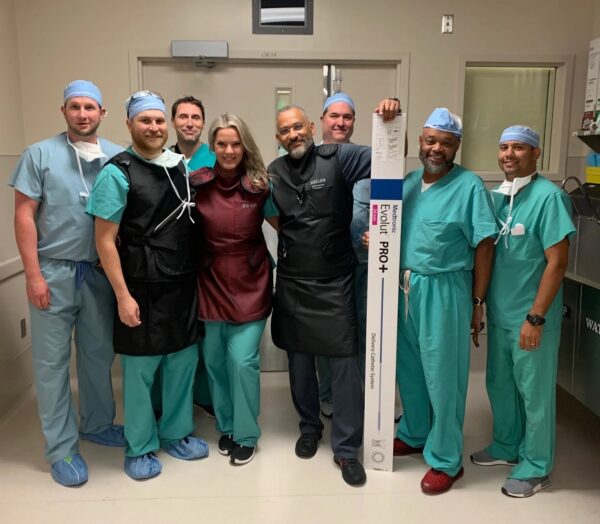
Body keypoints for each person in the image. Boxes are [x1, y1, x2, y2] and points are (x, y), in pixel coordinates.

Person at [269, 99, 399, 487]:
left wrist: (390, 121)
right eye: (285, 130)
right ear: (278, 137)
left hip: (334, 281)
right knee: (299, 365)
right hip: (293, 281)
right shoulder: (275, 171)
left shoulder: (340, 157)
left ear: (311, 126)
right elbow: (273, 214)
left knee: (344, 366)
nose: (293, 134)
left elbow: (389, 158)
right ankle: (309, 428)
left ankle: (346, 450)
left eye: (298, 126)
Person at [10, 80, 125, 487]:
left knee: (97, 356)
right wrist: (33, 275)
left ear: (102, 113)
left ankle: (96, 423)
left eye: (90, 107)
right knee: (52, 363)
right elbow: (24, 216)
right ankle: (60, 447)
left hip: (97, 274)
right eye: (74, 107)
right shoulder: (39, 155)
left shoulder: (118, 156)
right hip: (53, 273)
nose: (82, 114)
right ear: (64, 112)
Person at [88, 91, 208, 481]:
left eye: (159, 121)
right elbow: (105, 240)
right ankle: (139, 447)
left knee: (181, 364)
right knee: (140, 374)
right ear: (128, 125)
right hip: (140, 285)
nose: (154, 127)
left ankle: (176, 433)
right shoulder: (117, 171)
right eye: (145, 121)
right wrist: (123, 295)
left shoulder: (178, 167)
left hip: (181, 283)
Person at [392, 108, 497, 494]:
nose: (437, 148)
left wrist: (477, 301)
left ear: (457, 147)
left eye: (446, 142)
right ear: (420, 141)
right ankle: (416, 431)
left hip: (445, 290)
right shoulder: (407, 182)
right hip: (404, 289)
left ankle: (446, 458)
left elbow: (485, 245)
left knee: (444, 377)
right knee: (410, 370)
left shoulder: (469, 186)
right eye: (431, 140)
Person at [470, 125, 575, 498]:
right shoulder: (496, 197)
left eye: (518, 147)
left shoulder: (549, 197)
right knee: (498, 384)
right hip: (499, 313)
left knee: (534, 394)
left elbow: (557, 263)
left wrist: (536, 316)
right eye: (503, 147)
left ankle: (537, 465)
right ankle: (506, 445)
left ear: (536, 153)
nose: (509, 154)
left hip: (531, 317)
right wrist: (480, 305)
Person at [190, 113, 278, 466]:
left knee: (241, 361)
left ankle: (246, 434)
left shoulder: (260, 186)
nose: (229, 150)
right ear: (212, 147)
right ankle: (226, 426)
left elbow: (288, 227)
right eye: (222, 144)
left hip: (250, 280)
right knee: (213, 360)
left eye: (235, 143)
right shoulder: (196, 184)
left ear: (245, 146)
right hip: (209, 280)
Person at [170, 95, 216, 416]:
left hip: (210, 259)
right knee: (177, 331)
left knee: (207, 331)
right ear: (173, 121)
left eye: (196, 117)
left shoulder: (217, 159)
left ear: (203, 122)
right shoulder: (160, 159)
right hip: (170, 261)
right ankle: (173, 400)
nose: (189, 122)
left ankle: (205, 395)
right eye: (183, 116)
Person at [315, 92, 359, 419]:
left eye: (347, 117)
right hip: (322, 267)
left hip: (365, 265)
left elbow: (386, 206)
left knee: (360, 332)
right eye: (334, 116)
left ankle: (360, 394)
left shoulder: (367, 160)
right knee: (324, 336)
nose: (340, 122)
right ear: (322, 121)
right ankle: (327, 393)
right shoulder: (309, 160)